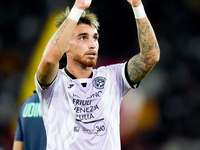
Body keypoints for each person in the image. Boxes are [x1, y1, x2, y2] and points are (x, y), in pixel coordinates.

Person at [35, 0, 160, 149]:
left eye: (95, 37)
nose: (92, 43)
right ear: (66, 45)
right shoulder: (54, 83)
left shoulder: (113, 77)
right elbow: (49, 59)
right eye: (83, 37)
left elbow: (150, 57)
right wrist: (78, 8)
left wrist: (137, 6)